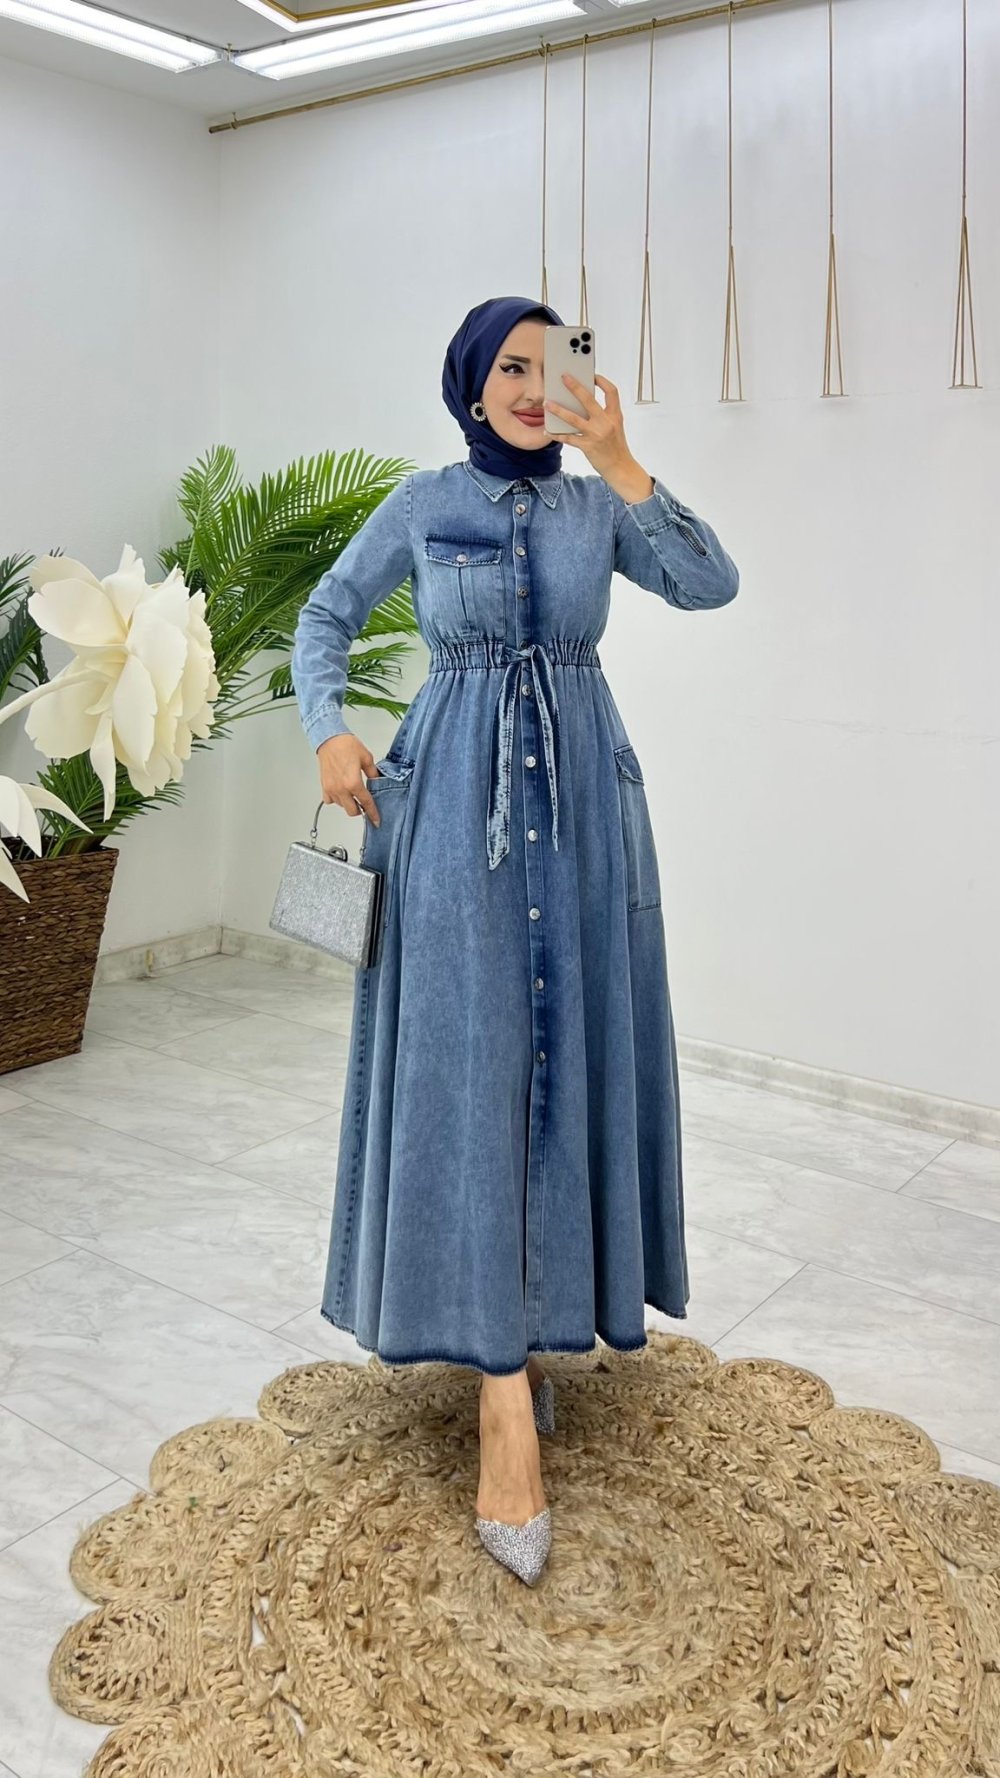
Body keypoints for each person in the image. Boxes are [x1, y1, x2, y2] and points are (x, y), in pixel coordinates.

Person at [291, 294, 739, 1585]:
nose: (537, 388)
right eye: (512, 368)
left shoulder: (600, 506)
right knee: (474, 1072)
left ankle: (531, 1325)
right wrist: (327, 728)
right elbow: (325, 618)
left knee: (564, 1065)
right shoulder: (423, 501)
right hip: (449, 819)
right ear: (470, 385)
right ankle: (501, 1396)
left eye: (556, 366)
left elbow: (711, 582)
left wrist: (624, 459)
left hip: (587, 814)